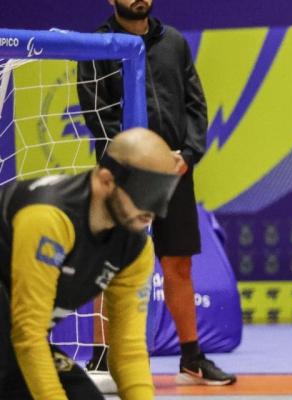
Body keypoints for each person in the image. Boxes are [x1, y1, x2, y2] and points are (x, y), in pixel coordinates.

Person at [76, 0, 236, 385]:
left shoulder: (175, 42)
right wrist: (131, 159)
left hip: (175, 171)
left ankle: (192, 359)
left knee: (179, 264)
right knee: (110, 265)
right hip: (123, 176)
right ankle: (102, 359)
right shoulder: (95, 46)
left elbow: (195, 104)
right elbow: (96, 113)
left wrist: (189, 153)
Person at [0, 128, 180, 399]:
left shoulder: (135, 248)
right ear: (106, 180)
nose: (152, 211)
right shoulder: (48, 218)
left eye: (162, 194)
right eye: (146, 192)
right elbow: (29, 332)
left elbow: (129, 351)